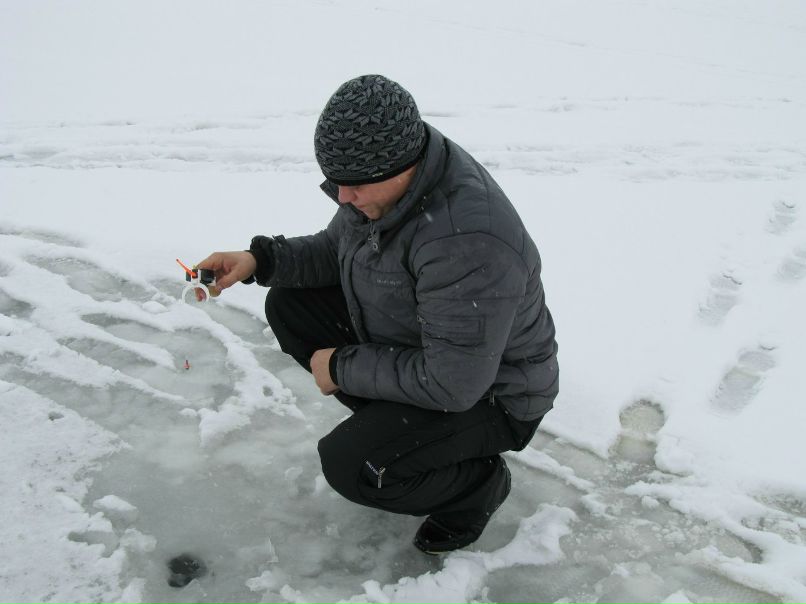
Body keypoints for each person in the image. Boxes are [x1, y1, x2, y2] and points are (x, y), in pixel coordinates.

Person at [197, 74, 559, 554]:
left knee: (356, 467)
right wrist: (260, 261)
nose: (342, 198)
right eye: (336, 182)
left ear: (402, 164)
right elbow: (337, 248)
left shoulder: (466, 242)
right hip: (432, 350)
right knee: (289, 303)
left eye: (353, 186)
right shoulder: (388, 181)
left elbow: (455, 383)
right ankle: (405, 435)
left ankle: (476, 485)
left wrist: (342, 365)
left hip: (495, 395)